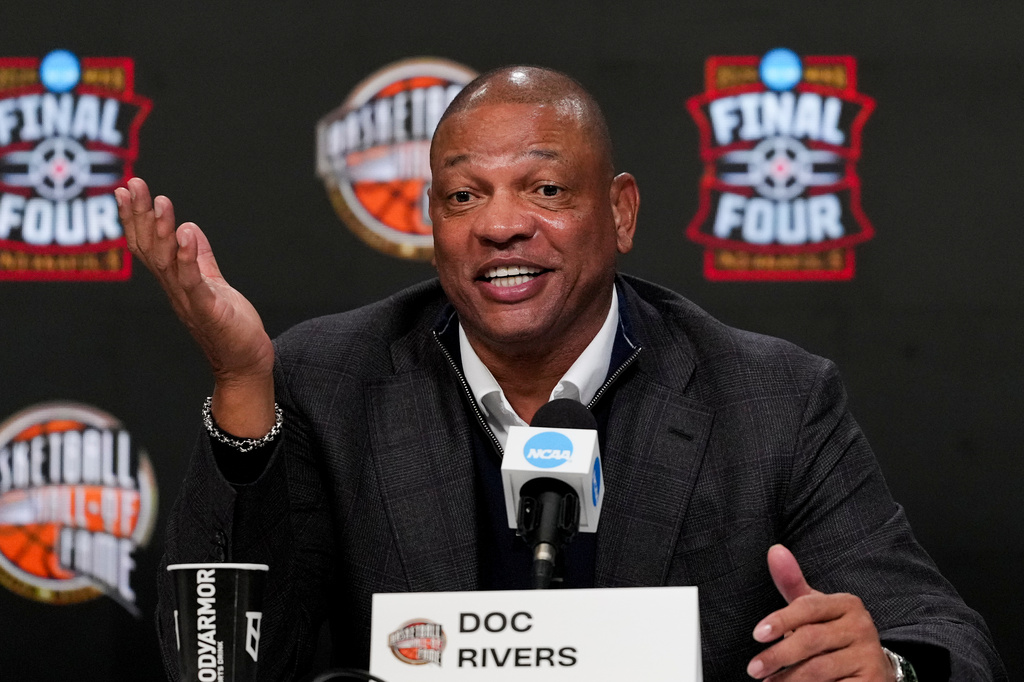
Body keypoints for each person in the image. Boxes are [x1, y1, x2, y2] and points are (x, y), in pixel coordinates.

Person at [117, 66, 1005, 681]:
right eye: (464, 196)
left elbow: (949, 641)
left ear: (619, 212)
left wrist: (884, 665)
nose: (500, 226)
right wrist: (242, 383)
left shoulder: (770, 399)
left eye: (544, 190)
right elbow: (221, 666)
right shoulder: (327, 379)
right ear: (432, 221)